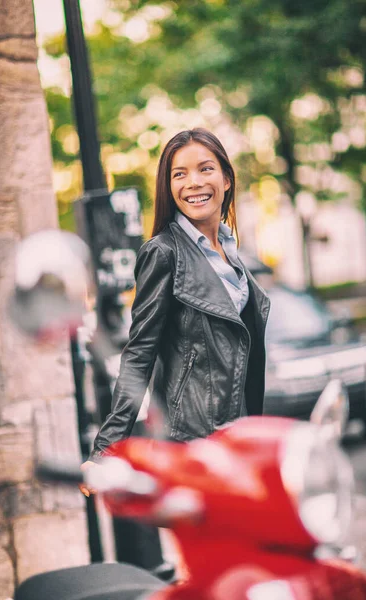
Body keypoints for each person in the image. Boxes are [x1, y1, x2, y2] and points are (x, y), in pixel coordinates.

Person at [81, 126, 271, 477]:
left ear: (226, 179)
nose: (194, 182)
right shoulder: (163, 253)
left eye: (205, 168)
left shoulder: (231, 253)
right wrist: (106, 451)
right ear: (169, 188)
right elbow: (138, 355)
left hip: (240, 439)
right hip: (195, 446)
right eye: (179, 174)